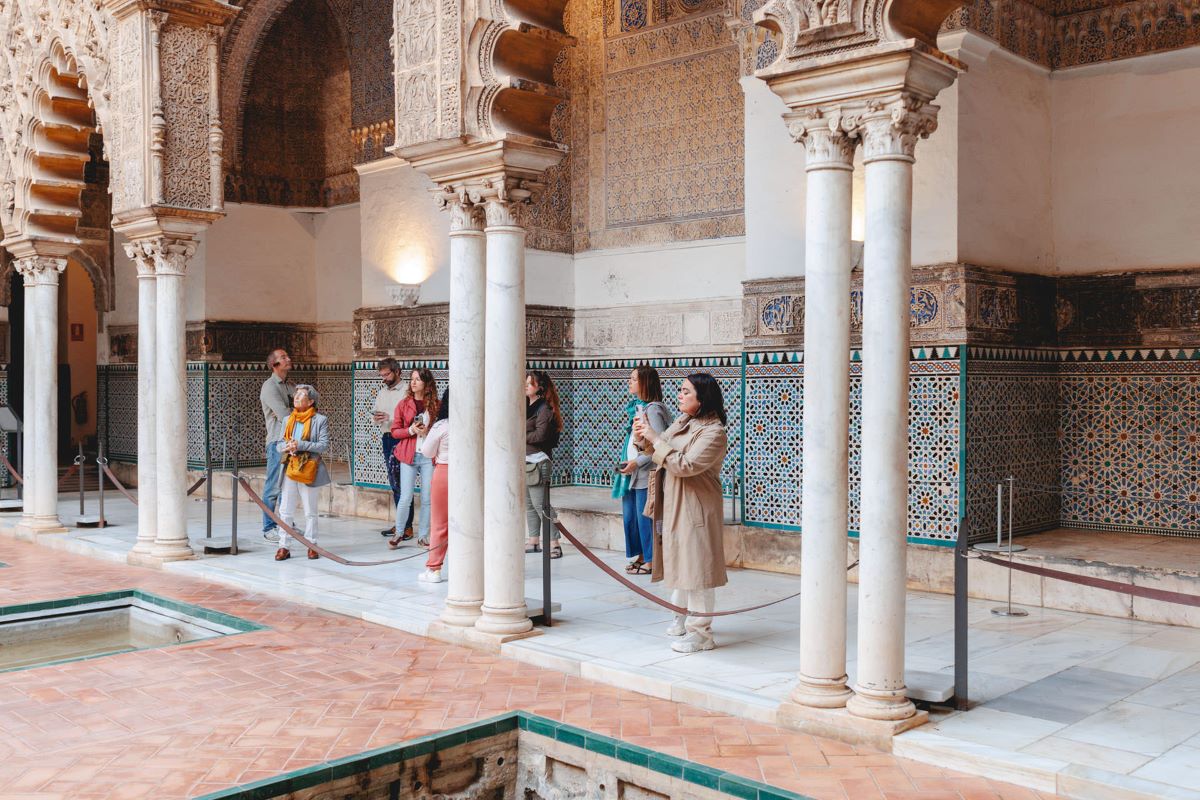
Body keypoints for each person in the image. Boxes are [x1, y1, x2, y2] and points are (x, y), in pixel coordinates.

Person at [634, 372, 728, 654]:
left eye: (687, 392)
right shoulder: (684, 421)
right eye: (681, 390)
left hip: (696, 508)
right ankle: (681, 617)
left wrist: (654, 438)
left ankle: (701, 634)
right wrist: (644, 438)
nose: (680, 395)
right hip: (674, 502)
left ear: (702, 399)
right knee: (679, 562)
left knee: (697, 567)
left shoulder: (714, 433)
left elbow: (685, 464)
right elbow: (660, 447)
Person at [614, 366, 671, 576]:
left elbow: (661, 444)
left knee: (645, 518)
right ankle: (639, 555)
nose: (629, 382)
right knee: (632, 518)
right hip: (633, 473)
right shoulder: (639, 408)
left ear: (645, 382)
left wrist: (637, 463)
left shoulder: (653, 409)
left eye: (633, 379)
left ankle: (651, 559)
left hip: (646, 474)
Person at [274, 384, 331, 561]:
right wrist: (288, 447)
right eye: (296, 395)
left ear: (311, 401)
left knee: (310, 510)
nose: (296, 398)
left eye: (301, 396)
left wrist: (300, 445)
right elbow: (279, 444)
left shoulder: (319, 420)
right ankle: (284, 546)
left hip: (309, 468)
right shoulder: (288, 420)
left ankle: (311, 544)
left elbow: (323, 445)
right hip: (291, 467)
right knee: (285, 509)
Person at [388, 368, 438, 549]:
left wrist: (427, 432)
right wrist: (411, 430)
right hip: (408, 455)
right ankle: (399, 533)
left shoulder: (435, 405)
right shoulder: (403, 404)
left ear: (426, 383)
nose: (413, 382)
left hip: (427, 456)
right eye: (412, 379)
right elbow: (394, 431)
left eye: (417, 379)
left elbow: (442, 430)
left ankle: (423, 536)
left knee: (426, 498)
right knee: (406, 496)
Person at [372, 358, 414, 540]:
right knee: (394, 483)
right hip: (387, 439)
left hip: (402, 440)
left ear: (397, 372)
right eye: (381, 375)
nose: (384, 378)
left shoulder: (407, 391)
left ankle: (407, 527)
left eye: (387, 374)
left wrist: (392, 418)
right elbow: (376, 412)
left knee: (404, 484)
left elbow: (411, 418)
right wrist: (377, 418)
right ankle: (401, 524)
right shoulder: (382, 392)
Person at [525, 369, 563, 558]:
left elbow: (540, 436)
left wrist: (520, 435)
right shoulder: (526, 407)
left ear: (539, 388)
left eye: (530, 383)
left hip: (538, 462)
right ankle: (533, 541)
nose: (525, 385)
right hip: (525, 461)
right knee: (530, 504)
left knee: (542, 504)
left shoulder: (544, 409)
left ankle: (554, 543)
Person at [259, 348, 295, 543]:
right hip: (276, 442)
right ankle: (269, 526)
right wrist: (298, 409)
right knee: (273, 486)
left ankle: (284, 522)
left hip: (290, 442)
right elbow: (286, 415)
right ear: (275, 364)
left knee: (287, 486)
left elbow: (310, 402)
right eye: (283, 357)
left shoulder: (289, 385)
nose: (288, 359)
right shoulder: (269, 387)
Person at [418, 388, 450, 583]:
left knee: (439, 523)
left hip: (445, 472)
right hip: (471, 474)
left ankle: (434, 569)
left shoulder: (441, 426)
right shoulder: (475, 424)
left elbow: (427, 452)